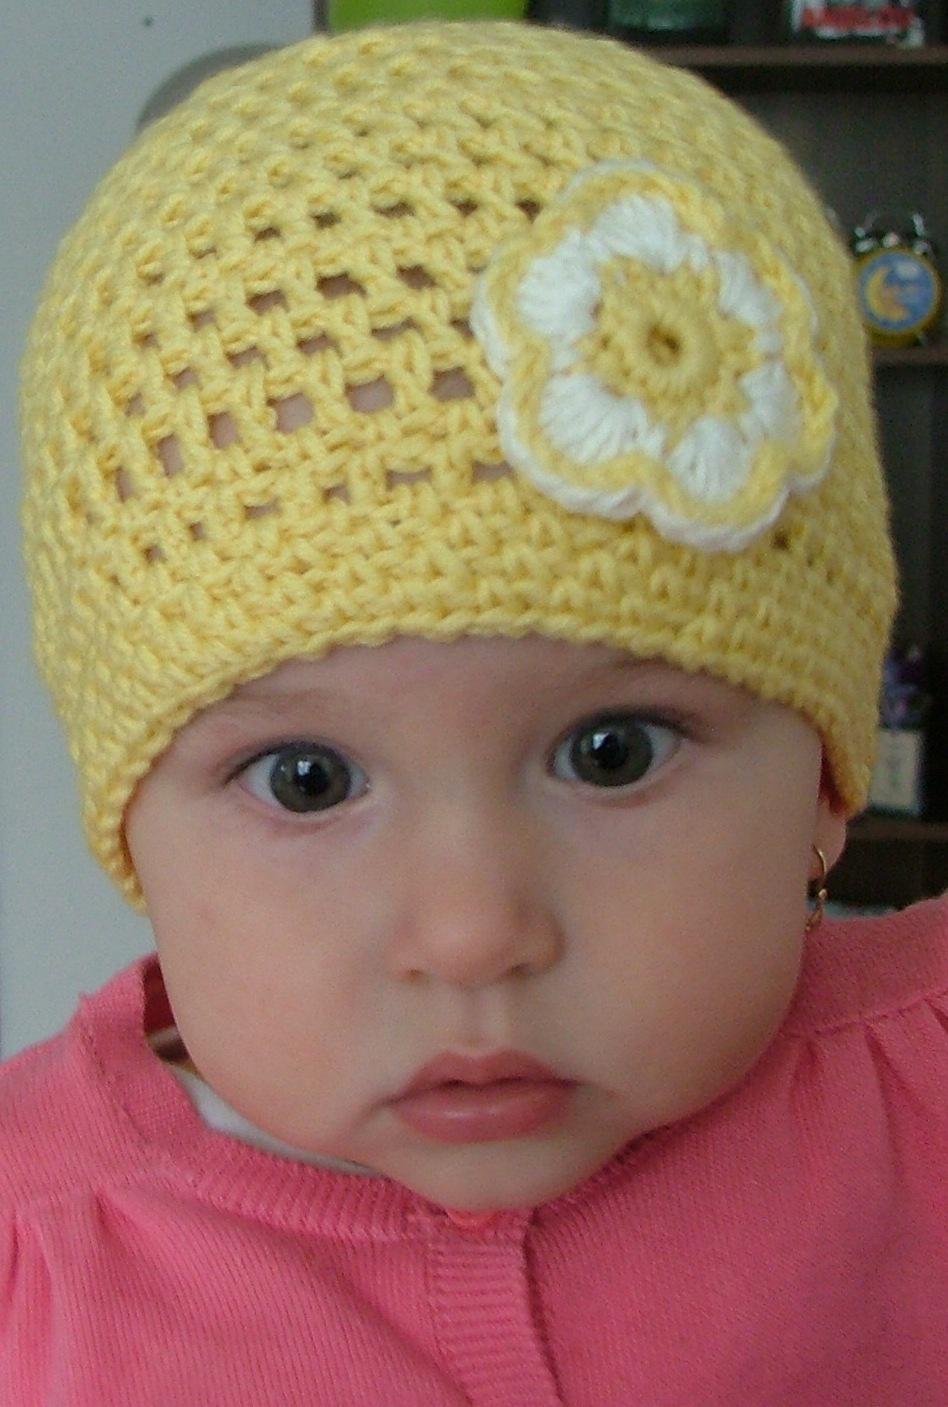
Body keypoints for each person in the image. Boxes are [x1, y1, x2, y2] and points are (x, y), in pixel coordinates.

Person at [6, 18, 947, 1405]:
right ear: (132, 824)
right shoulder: (34, 1267)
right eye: (308, 778)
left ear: (824, 780)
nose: (470, 934)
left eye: (611, 754)